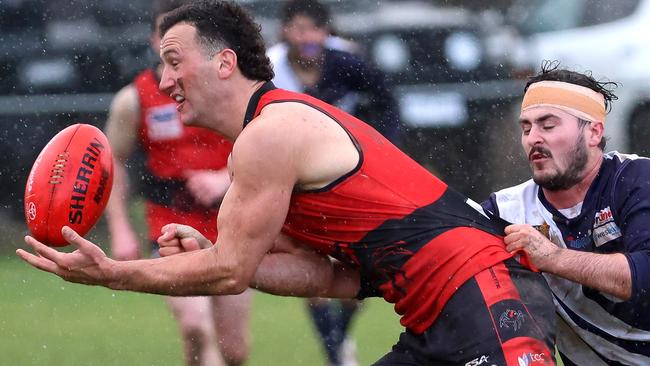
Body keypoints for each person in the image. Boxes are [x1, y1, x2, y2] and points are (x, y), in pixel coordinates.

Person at [17, 2, 557, 365]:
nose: (164, 82)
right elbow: (332, 279)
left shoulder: (270, 136)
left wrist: (113, 273)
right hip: (437, 314)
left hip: (488, 295)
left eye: (174, 62)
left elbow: (229, 274)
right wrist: (217, 252)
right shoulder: (265, 138)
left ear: (224, 62)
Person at [103, 1, 250, 365]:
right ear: (154, 40)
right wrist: (120, 226)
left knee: (234, 350)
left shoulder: (230, 89)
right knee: (195, 326)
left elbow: (267, 145)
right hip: (170, 226)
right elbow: (112, 161)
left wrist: (224, 178)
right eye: (163, 36)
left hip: (230, 223)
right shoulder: (133, 99)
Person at [481, 63, 650, 365]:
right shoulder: (505, 210)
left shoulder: (638, 179)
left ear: (594, 132)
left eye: (548, 125)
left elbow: (645, 275)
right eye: (526, 127)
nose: (533, 138)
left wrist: (552, 258)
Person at [268, 2, 402, 364]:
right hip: (296, 182)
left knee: (355, 276)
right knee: (310, 266)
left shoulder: (348, 63)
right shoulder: (271, 69)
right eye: (299, 29)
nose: (307, 38)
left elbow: (388, 102)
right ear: (285, 31)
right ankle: (335, 353)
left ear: (327, 33)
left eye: (315, 30)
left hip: (349, 181)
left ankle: (336, 343)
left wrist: (384, 149)